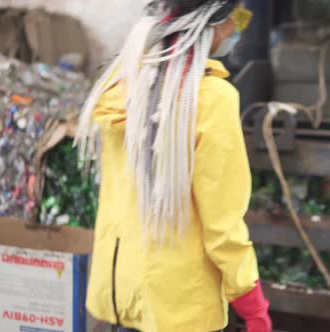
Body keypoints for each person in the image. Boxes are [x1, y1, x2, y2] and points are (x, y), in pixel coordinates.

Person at [75, 1, 272, 331]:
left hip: (117, 299)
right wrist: (253, 307)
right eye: (236, 16)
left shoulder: (121, 89)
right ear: (216, 23)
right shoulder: (212, 99)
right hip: (179, 310)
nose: (237, 27)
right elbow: (222, 227)